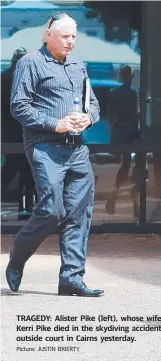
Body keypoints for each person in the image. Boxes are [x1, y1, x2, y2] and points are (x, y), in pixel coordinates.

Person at [5, 12, 104, 297]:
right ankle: (17, 256)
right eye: (65, 36)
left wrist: (89, 118)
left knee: (79, 213)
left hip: (77, 149)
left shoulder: (77, 65)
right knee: (51, 210)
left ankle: (71, 279)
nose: (70, 41)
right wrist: (56, 124)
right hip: (45, 147)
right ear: (48, 35)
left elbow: (93, 104)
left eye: (74, 36)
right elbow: (19, 106)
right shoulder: (31, 63)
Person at [1, 47, 36, 220]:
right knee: (26, 170)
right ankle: (25, 207)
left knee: (9, 168)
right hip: (25, 130)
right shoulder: (28, 78)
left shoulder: (3, 77)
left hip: (7, 132)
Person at [106, 64, 140, 217]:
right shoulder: (133, 93)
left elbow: (110, 117)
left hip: (120, 135)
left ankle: (120, 193)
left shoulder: (114, 93)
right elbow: (135, 114)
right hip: (128, 136)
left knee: (126, 166)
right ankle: (133, 200)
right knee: (130, 167)